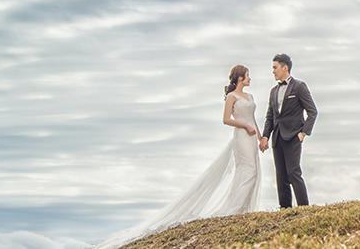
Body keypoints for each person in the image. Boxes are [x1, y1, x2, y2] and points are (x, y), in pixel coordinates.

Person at [95, 65, 262, 248]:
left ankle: (242, 208)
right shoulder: (232, 97)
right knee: (247, 170)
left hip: (253, 137)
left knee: (252, 170)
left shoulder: (250, 97)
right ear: (239, 78)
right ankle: (234, 209)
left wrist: (261, 137)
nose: (249, 78)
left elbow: (253, 118)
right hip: (241, 136)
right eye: (247, 76)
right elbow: (226, 119)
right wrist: (244, 126)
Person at [260, 53, 317, 208]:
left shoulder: (299, 86)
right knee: (281, 176)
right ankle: (285, 209)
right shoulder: (273, 91)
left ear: (285, 67)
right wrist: (265, 136)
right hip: (277, 137)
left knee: (294, 173)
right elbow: (270, 116)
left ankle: (304, 208)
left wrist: (303, 133)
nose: (273, 71)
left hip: (293, 136)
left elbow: (312, 112)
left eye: (275, 67)